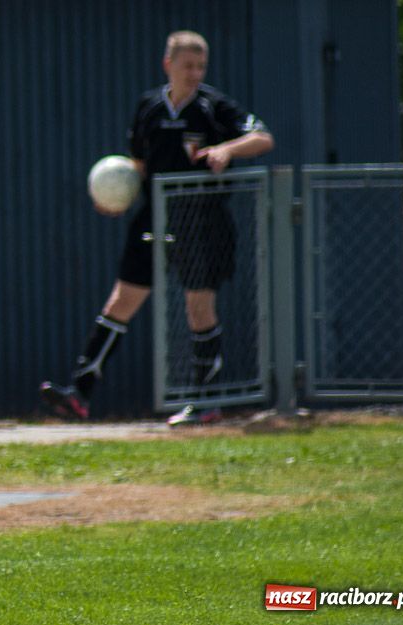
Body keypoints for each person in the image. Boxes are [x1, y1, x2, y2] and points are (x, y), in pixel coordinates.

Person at [40, 30, 274, 426]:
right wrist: (116, 198)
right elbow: (137, 168)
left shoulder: (213, 106)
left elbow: (262, 137)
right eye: (187, 66)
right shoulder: (148, 107)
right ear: (168, 65)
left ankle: (206, 402)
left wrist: (226, 149)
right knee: (121, 301)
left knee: (197, 306)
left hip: (202, 219)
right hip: (154, 218)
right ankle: (79, 393)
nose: (195, 73)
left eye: (200, 66)